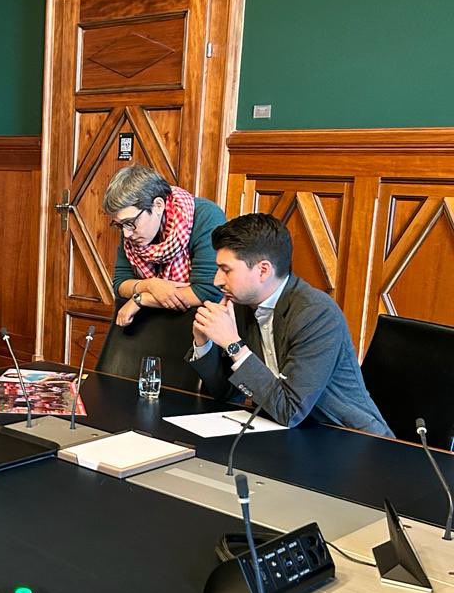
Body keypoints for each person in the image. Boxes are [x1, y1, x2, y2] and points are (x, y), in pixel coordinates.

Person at [189, 213, 393, 436]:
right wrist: (203, 342)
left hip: (349, 438)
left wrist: (233, 345)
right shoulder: (241, 304)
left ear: (263, 270)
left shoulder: (316, 313)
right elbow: (227, 394)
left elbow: (290, 410)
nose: (217, 280)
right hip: (289, 434)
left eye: (226, 270)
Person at [105, 165, 226, 327]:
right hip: (148, 325)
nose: (126, 234)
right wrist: (150, 285)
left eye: (130, 223)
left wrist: (141, 298)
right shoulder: (132, 229)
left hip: (201, 325)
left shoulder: (205, 216)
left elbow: (207, 291)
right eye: (119, 226)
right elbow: (120, 284)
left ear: (158, 205)